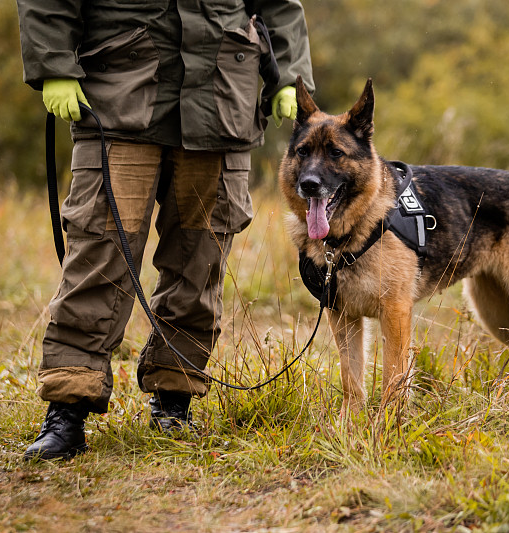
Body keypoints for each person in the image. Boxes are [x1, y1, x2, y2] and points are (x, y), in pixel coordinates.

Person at [16, 0, 314, 460]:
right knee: (99, 254)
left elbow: (277, 4)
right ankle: (67, 408)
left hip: (220, 104)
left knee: (201, 259)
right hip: (122, 97)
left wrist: (289, 76)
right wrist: (54, 64)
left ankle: (174, 399)